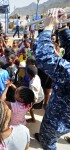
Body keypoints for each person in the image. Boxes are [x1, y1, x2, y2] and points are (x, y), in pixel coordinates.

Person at [34, 8, 70, 149]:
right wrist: (62, 27)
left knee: (47, 140)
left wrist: (49, 27)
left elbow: (44, 57)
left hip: (59, 118)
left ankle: (46, 141)